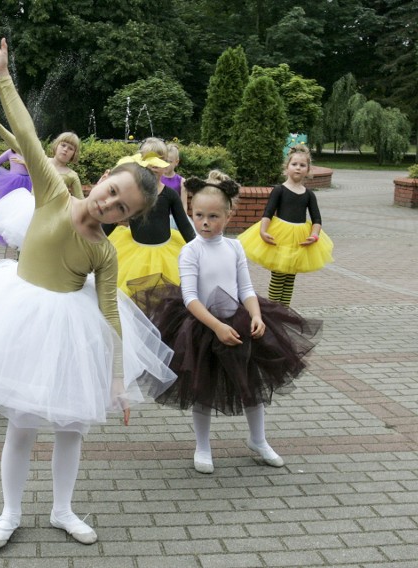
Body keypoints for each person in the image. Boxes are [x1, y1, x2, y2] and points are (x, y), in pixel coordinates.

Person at [0, 30, 176, 550]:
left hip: (71, 330)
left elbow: (110, 313)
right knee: (23, 423)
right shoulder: (53, 192)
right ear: (99, 180)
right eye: (111, 192)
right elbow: (28, 133)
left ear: (130, 218)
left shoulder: (105, 251)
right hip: (19, 313)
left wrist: (120, 378)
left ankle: (62, 509)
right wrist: (2, 76)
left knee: (71, 426)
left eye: (122, 208)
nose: (109, 206)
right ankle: (8, 512)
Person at [136, 171, 321, 474]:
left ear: (228, 215)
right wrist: (216, 327)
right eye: (198, 215)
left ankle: (258, 440)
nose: (204, 222)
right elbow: (191, 297)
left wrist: (257, 315)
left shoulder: (234, 247)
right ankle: (203, 446)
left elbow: (246, 288)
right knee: (202, 388)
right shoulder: (190, 250)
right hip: (202, 326)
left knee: (252, 384)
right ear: (191, 213)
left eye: (212, 216)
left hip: (238, 321)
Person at [237, 145, 334, 306]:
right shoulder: (279, 190)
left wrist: (314, 236)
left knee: (290, 279)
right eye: (294, 164)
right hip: (280, 236)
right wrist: (262, 231)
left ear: (308, 170)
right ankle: (274, 311)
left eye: (302, 165)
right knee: (278, 276)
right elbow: (268, 213)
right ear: (286, 167)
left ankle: (285, 310)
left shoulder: (309, 194)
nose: (298, 168)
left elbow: (317, 219)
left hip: (299, 239)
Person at [104, 139, 196, 292]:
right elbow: (112, 219)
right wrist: (92, 239)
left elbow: (184, 225)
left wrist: (201, 249)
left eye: (160, 159)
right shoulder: (131, 193)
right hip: (133, 256)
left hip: (165, 256)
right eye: (149, 159)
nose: (154, 164)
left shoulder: (170, 195)